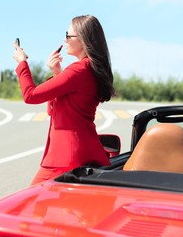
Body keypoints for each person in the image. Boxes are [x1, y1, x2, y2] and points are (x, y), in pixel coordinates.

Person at [13, 15, 115, 185]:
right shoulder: (89, 69)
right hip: (84, 154)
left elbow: (30, 95)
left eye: (69, 36)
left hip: (65, 158)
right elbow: (54, 110)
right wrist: (57, 74)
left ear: (83, 39)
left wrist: (22, 63)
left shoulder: (79, 70)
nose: (65, 40)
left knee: (31, 203)